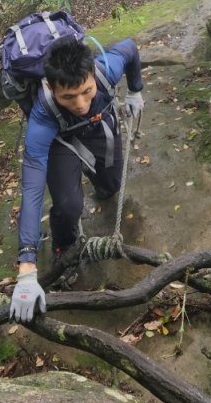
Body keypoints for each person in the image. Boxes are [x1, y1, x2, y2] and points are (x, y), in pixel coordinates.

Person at [9, 36, 144, 323]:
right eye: (68, 97)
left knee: (111, 186)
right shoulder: (42, 117)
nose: (80, 103)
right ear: (49, 86)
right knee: (69, 205)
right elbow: (32, 189)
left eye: (86, 91)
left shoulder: (107, 69)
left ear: (94, 75)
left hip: (99, 125)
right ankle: (63, 247)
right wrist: (27, 267)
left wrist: (136, 90)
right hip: (60, 139)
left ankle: (95, 174)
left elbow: (130, 47)